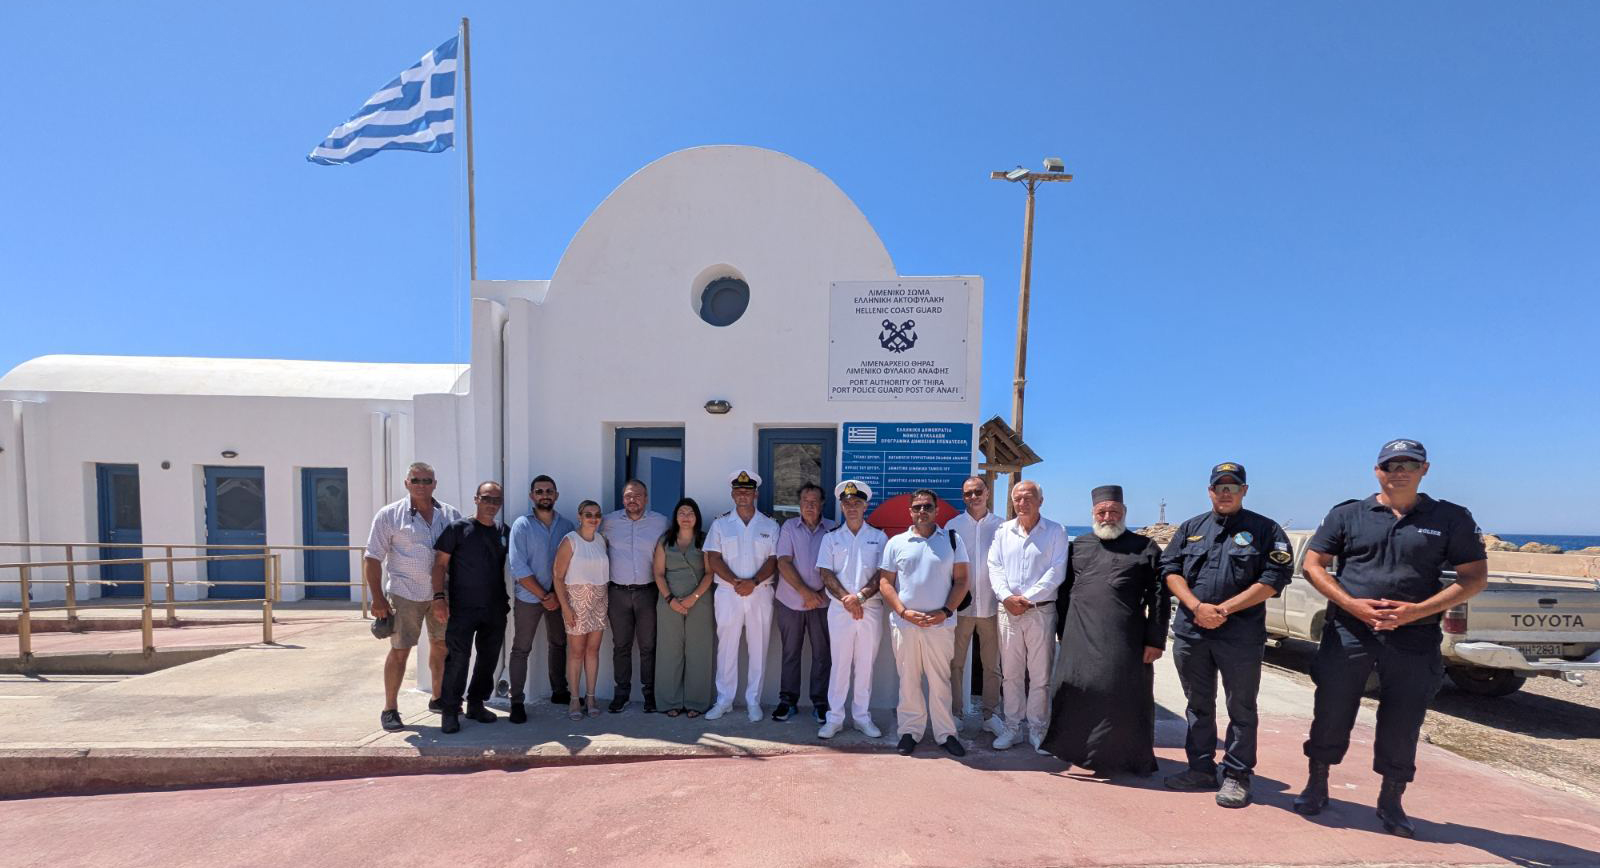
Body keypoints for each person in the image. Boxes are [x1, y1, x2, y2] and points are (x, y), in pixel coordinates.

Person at [1293, 440, 1488, 838]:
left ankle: (1392, 798)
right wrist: (1352, 605)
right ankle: (1317, 783)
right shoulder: (1348, 514)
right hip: (1349, 631)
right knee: (1331, 709)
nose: (1399, 472)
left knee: (1404, 718)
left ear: (1424, 469)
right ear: (1377, 470)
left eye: (1408, 465)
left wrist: (1417, 611)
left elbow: (1474, 577)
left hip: (1414, 636)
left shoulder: (1450, 518)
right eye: (1390, 465)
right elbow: (1313, 565)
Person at [1159, 462, 1292, 808]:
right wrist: (1196, 606)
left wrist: (1223, 610)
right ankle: (1200, 769)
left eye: (1233, 487)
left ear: (1244, 491)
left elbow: (1274, 578)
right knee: (1198, 705)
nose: (1226, 492)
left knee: (1241, 707)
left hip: (1240, 636)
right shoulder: (1191, 528)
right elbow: (1169, 569)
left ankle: (1236, 775)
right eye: (1220, 486)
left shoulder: (1266, 529)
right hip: (1192, 633)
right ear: (1210, 491)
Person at [1038, 485, 1169, 776]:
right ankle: (1074, 752)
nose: (1108, 517)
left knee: (1120, 695)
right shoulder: (1079, 545)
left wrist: (1155, 640)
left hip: (1125, 636)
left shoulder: (1145, 547)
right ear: (1093, 514)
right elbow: (1063, 590)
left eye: (1114, 512)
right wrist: (1062, 630)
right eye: (1102, 512)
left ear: (1124, 513)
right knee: (1076, 692)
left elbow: (1159, 596)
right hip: (1079, 634)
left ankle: (1126, 759)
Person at [364, 462, 461, 732]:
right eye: (416, 480)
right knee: (400, 650)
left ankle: (438, 698)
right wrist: (377, 598)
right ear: (406, 483)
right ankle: (390, 708)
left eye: (427, 480)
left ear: (435, 484)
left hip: (441, 595)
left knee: (441, 646)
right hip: (405, 593)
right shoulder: (389, 515)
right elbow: (372, 557)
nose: (421, 485)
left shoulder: (449, 514)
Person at [879, 489, 971, 757]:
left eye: (928, 507)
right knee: (908, 680)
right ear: (910, 511)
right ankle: (910, 731)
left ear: (936, 510)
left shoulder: (952, 540)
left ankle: (946, 733)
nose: (922, 511)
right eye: (917, 507)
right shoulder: (896, 542)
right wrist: (903, 612)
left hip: (939, 625)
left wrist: (945, 611)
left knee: (940, 681)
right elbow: (885, 582)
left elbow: (962, 581)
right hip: (905, 624)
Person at [987, 480, 1068, 753]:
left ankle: (1038, 729)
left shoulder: (1056, 531)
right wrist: (1006, 597)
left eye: (1029, 497)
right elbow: (994, 566)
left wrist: (1027, 598)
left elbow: (1057, 571)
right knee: (1010, 675)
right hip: (1008, 611)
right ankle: (1012, 728)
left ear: (1040, 501)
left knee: (1040, 676)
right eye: (1018, 498)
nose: (1022, 503)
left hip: (1040, 612)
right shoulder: (1003, 531)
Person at [431, 481, 510, 734]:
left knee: (488, 659)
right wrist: (438, 598)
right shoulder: (458, 529)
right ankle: (450, 710)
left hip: (494, 608)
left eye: (496, 500)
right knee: (458, 659)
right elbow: (440, 565)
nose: (491, 504)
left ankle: (476, 704)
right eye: (486, 498)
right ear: (476, 499)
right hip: (462, 609)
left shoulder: (503, 531)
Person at [703, 469, 780, 722]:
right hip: (728, 593)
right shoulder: (720, 524)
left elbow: (774, 560)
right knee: (726, 648)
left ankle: (753, 701)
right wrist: (736, 582)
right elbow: (713, 558)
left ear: (755, 494)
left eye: (747, 491)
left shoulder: (770, 525)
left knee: (758, 648)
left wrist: (753, 582)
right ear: (732, 494)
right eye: (738, 491)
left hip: (760, 593)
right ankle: (724, 700)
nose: (743, 495)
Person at [815, 479, 888, 739]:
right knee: (840, 665)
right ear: (842, 507)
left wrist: (860, 597)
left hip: (871, 609)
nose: (852, 507)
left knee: (865, 665)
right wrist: (848, 600)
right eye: (847, 503)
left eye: (857, 503)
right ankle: (834, 718)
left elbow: (882, 573)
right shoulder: (831, 538)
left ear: (865, 506)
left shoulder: (879, 537)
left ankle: (861, 717)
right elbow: (825, 572)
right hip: (840, 610)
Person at [505, 475, 576, 724]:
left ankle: (559, 691)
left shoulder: (567, 526)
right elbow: (518, 566)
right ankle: (516, 702)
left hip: (558, 596)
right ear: (531, 496)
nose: (544, 495)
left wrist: (556, 595)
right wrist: (544, 595)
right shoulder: (521, 525)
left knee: (558, 643)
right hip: (529, 597)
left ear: (556, 495)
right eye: (539, 491)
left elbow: (571, 564)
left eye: (549, 491)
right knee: (521, 648)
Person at [600, 480, 671, 713]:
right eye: (628, 496)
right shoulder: (608, 522)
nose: (633, 500)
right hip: (617, 592)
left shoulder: (661, 522)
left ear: (646, 498)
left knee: (649, 646)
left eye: (638, 495)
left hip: (648, 592)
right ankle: (621, 694)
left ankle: (650, 694)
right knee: (621, 645)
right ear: (623, 499)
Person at [944, 475, 1004, 737]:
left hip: (992, 606)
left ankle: (990, 715)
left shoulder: (1003, 526)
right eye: (968, 493)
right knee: (955, 663)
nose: (973, 497)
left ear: (987, 493)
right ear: (963, 497)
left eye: (978, 491)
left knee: (992, 666)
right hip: (962, 606)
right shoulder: (952, 526)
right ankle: (955, 714)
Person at [773, 482, 837, 723]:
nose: (809, 506)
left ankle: (820, 703)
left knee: (822, 654)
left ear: (822, 504)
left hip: (823, 601)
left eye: (814, 502)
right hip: (790, 601)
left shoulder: (832, 528)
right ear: (799, 504)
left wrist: (817, 593)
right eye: (805, 502)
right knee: (790, 652)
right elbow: (783, 562)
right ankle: (787, 701)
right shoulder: (789, 527)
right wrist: (805, 592)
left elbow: (837, 565)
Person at [652, 497, 715, 717]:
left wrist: (693, 597)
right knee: (669, 651)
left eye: (690, 513)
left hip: (700, 601)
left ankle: (696, 703)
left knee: (699, 650)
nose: (686, 517)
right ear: (675, 517)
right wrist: (670, 599)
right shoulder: (664, 541)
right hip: (669, 601)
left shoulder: (705, 540)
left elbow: (710, 573)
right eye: (682, 513)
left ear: (697, 517)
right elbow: (658, 573)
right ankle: (670, 702)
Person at [552, 500, 611, 720]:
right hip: (576, 600)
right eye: (588, 514)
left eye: (597, 515)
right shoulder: (570, 541)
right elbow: (557, 576)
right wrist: (566, 607)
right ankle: (575, 699)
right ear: (580, 516)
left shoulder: (601, 540)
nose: (593, 519)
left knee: (593, 650)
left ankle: (591, 697)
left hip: (599, 599)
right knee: (576, 652)